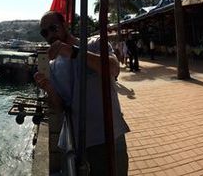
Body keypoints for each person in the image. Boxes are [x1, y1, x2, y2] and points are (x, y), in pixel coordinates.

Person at [33, 11, 131, 175]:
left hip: (108, 137)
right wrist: (48, 88)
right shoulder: (53, 66)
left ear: (65, 25)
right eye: (44, 32)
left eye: (53, 28)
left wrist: (74, 52)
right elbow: (60, 108)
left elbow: (113, 69)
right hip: (75, 144)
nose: (49, 35)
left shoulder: (94, 44)